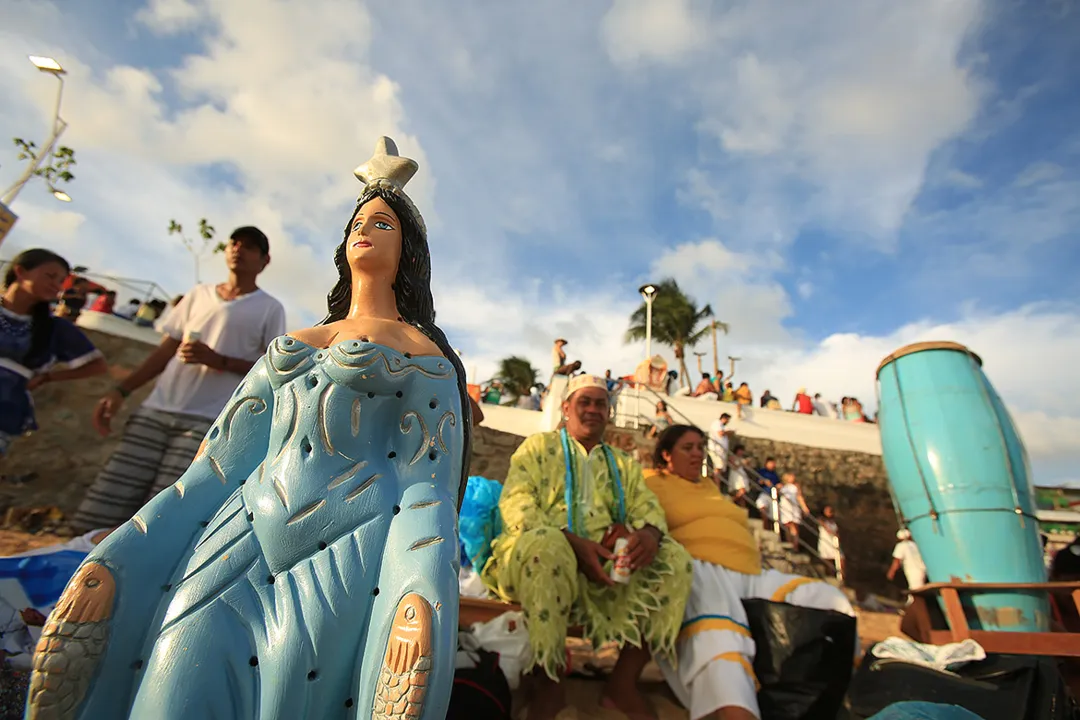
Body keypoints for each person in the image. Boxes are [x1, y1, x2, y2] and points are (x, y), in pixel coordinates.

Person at [30, 137, 473, 719]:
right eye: (357, 222)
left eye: (383, 224)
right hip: (237, 532)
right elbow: (217, 462)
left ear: (409, 250)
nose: (364, 230)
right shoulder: (292, 345)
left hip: (344, 545)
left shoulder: (423, 358)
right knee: (176, 660)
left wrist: (417, 583)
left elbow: (427, 484)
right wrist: (132, 544)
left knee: (293, 683)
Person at [482, 374, 692, 720]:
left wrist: (649, 533)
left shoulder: (624, 464)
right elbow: (516, 504)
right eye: (585, 402)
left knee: (675, 559)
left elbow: (646, 507)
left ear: (609, 412)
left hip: (608, 562)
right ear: (566, 408)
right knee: (547, 545)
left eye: (601, 403)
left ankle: (622, 684)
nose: (594, 409)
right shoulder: (537, 448)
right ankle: (548, 680)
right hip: (540, 556)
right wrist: (570, 540)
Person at [70, 226, 287, 532]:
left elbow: (270, 368)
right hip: (156, 410)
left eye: (250, 247)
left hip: (208, 423)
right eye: (234, 243)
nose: (239, 249)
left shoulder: (270, 308)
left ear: (264, 261)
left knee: (162, 514)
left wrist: (219, 360)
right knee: (106, 501)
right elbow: (165, 350)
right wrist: (122, 390)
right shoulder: (198, 295)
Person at [644, 425, 855, 720]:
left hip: (750, 571)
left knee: (828, 600)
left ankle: (811, 704)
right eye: (687, 447)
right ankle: (737, 711)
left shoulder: (708, 486)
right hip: (700, 568)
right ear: (666, 455)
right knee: (721, 636)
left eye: (699, 447)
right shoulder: (650, 482)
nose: (697, 453)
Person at [0, 249, 109, 457]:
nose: (56, 286)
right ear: (21, 272)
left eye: (61, 281)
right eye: (50, 276)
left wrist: (48, 377)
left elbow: (97, 365)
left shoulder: (54, 328)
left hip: (5, 408)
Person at [887, 529, 928, 600]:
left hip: (912, 570)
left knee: (915, 591)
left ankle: (916, 607)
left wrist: (891, 572)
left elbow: (897, 561)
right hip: (922, 569)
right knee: (919, 589)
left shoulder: (900, 546)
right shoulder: (915, 545)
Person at [778, 472, 810, 547]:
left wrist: (804, 507)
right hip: (785, 507)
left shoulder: (795, 486)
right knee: (787, 525)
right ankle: (789, 543)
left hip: (793, 507)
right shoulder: (783, 486)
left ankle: (795, 545)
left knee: (793, 526)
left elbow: (799, 497)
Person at [818, 505, 845, 577]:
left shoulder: (834, 521)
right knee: (828, 561)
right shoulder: (821, 520)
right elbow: (827, 529)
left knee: (841, 558)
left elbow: (837, 531)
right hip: (826, 542)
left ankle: (841, 576)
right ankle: (831, 576)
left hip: (834, 542)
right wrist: (833, 533)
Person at [708, 412, 732, 480]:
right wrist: (728, 432)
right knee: (718, 468)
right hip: (716, 450)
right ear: (724, 418)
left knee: (720, 469)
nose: (728, 422)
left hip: (721, 451)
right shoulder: (717, 423)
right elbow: (720, 433)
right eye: (727, 420)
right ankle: (717, 486)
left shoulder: (723, 426)